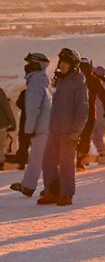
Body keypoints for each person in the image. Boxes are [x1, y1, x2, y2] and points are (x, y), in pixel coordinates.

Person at [38, 48, 89, 206]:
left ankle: (66, 194)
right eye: (61, 62)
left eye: (65, 62)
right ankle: (52, 192)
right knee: (48, 161)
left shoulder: (79, 82)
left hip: (69, 131)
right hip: (54, 128)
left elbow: (83, 109)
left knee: (66, 163)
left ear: (73, 64)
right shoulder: (59, 80)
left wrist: (76, 130)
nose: (62, 65)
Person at [11, 53, 51, 197]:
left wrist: (28, 130)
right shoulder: (41, 80)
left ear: (36, 65)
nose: (26, 66)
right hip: (44, 127)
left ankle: (32, 187)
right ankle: (32, 186)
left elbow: (33, 110)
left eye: (29, 63)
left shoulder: (35, 83)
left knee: (37, 158)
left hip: (40, 128)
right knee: (42, 158)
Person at [77, 58, 105, 169]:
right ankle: (101, 156)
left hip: (91, 113)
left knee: (86, 136)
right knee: (96, 137)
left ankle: (82, 159)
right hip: (99, 114)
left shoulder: (85, 79)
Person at [0, 84, 15, 169]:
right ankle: (1, 163)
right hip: (2, 124)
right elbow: (7, 108)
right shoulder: (0, 92)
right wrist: (13, 123)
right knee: (1, 145)